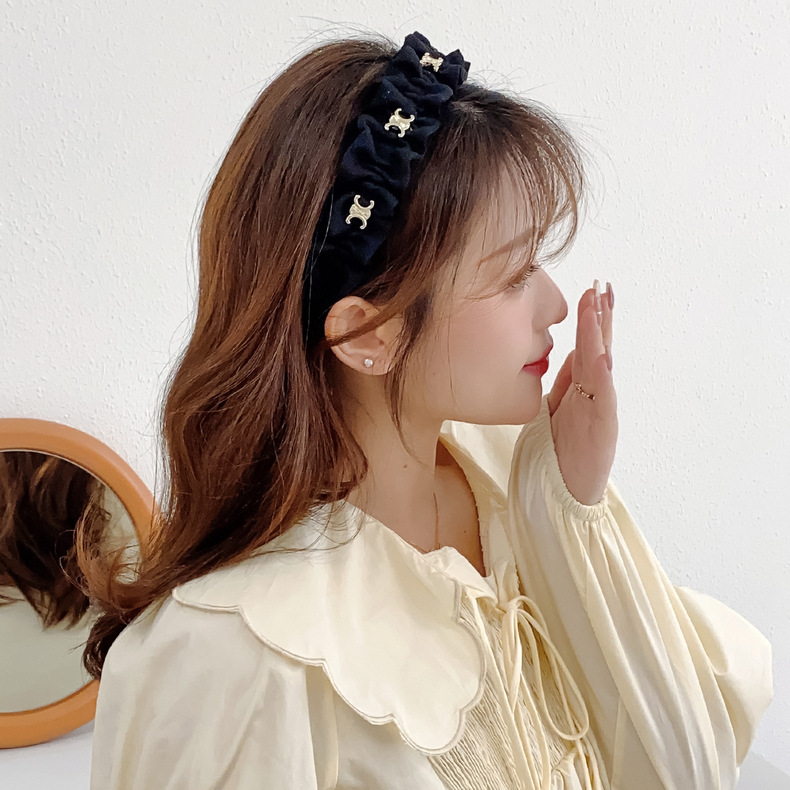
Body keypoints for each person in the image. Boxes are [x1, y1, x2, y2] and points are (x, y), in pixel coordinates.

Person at [79, 30, 773, 789]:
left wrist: (573, 512)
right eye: (513, 275)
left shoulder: (516, 479)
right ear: (364, 334)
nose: (554, 304)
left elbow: (686, 766)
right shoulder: (240, 656)